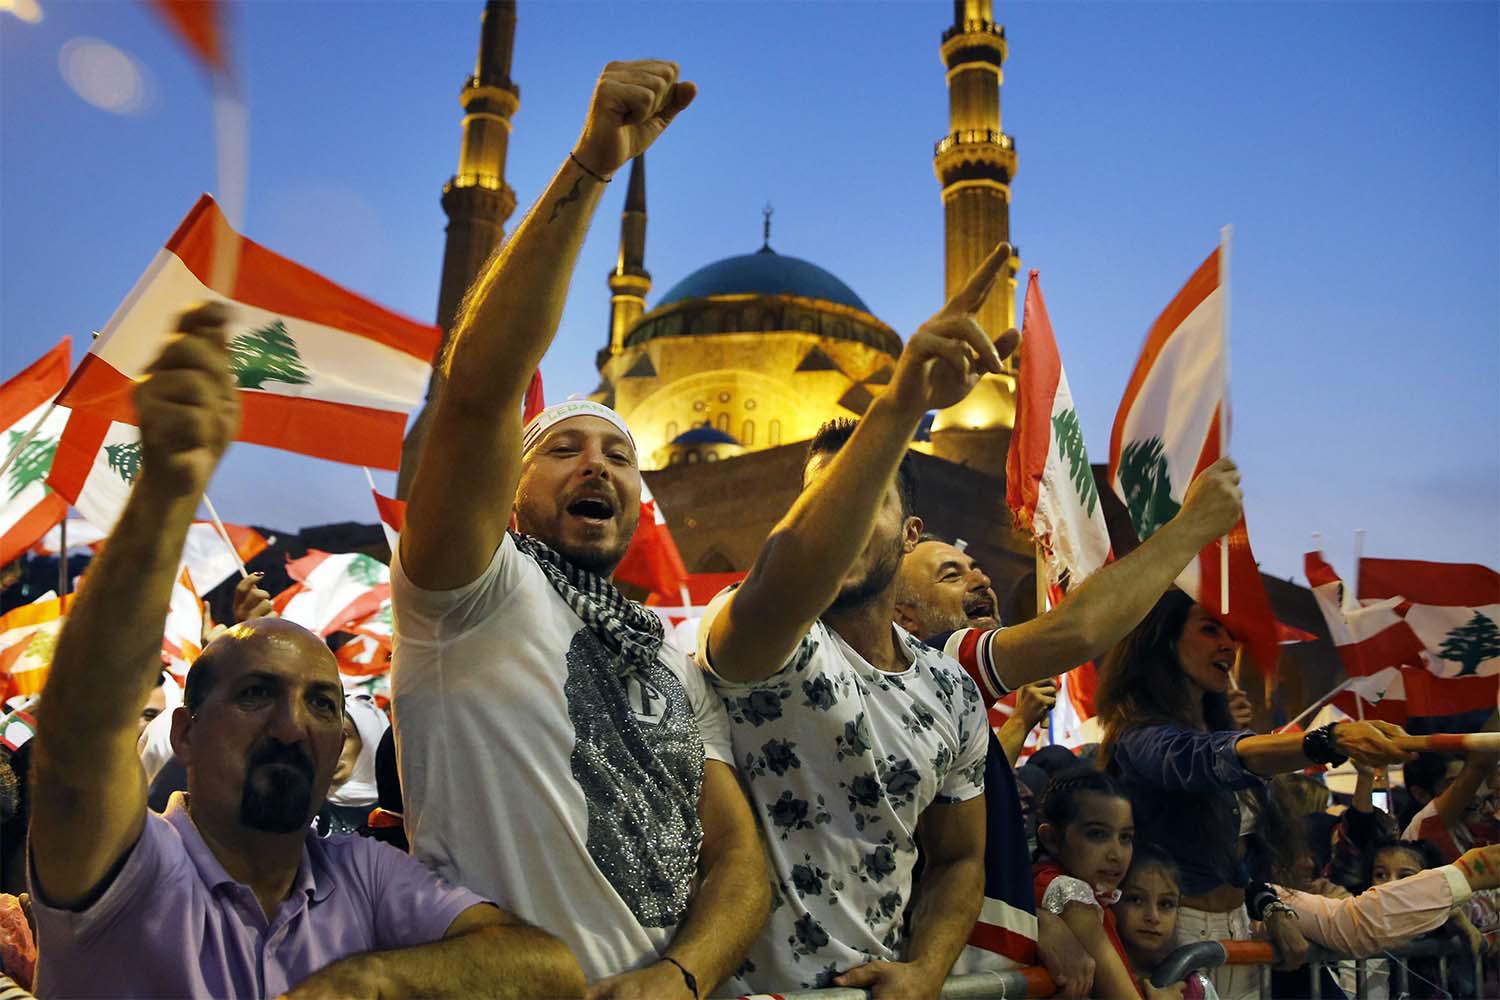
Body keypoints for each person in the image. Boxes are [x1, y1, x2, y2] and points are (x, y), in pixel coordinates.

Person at [27, 303, 585, 1000]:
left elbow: (547, 972)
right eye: (256, 693)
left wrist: (369, 980)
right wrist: (167, 491)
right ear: (185, 733)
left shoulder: (362, 876)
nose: (293, 729)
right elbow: (81, 738)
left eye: (323, 704)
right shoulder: (127, 872)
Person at [394, 60, 768, 998]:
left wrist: (680, 977)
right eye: (563, 447)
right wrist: (594, 166)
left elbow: (738, 860)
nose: (598, 463)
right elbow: (479, 385)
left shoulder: (667, 657)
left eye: (620, 452)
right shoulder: (468, 595)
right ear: (509, 488)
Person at [696, 244, 1017, 997]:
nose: (838, 527)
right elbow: (788, 577)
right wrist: (903, 401)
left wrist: (927, 969)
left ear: (912, 533)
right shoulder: (758, 638)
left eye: (862, 499)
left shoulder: (950, 690)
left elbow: (961, 859)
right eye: (823, 503)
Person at [889, 451, 1244, 991]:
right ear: (904, 616)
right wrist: (1193, 525)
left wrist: (1039, 919)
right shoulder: (935, 661)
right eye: (950, 574)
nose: (980, 576)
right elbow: (1078, 631)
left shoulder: (941, 707)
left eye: (975, 566)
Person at [1096, 588, 1414, 1000]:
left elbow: (1242, 861)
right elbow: (1199, 758)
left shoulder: (1217, 733)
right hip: (1171, 941)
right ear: (1164, 641)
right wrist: (1328, 740)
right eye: (1210, 630)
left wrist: (1268, 905)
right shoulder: (1138, 736)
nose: (1228, 644)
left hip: (1239, 937)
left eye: (1230, 633)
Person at [1031, 769, 1177, 1000]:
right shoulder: (1069, 894)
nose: (1116, 854)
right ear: (1051, 838)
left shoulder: (1070, 887)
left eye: (1125, 838)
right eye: (1097, 834)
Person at [1112, 846, 1219, 1000]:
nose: (1153, 917)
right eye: (1136, 899)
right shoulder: (1089, 978)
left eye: (1165, 904)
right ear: (1113, 901)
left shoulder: (1195, 989)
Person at [1402, 749, 1500, 863]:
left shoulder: (1479, 829)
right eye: (1457, 785)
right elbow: (1479, 764)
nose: (1474, 793)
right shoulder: (1425, 824)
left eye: (1475, 784)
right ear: (1421, 794)